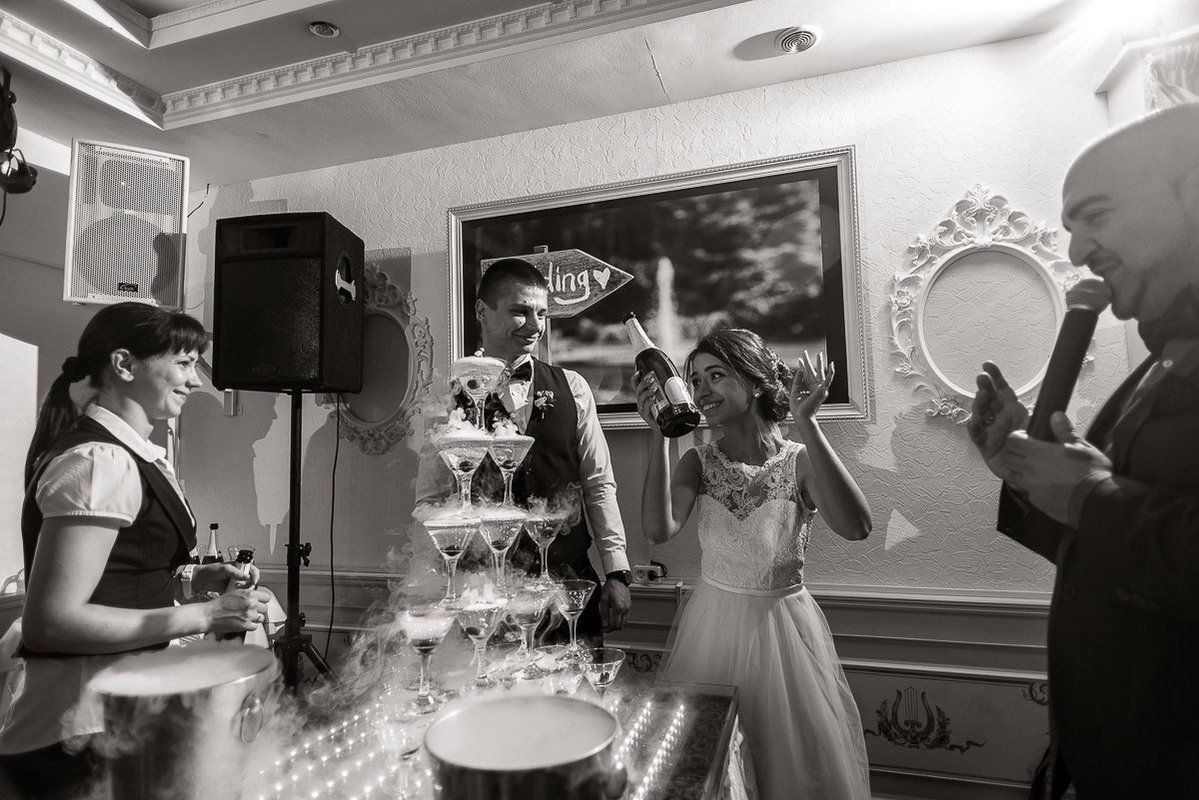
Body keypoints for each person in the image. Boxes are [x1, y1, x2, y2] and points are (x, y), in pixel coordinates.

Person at [968, 103, 1199, 799]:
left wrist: (1091, 497)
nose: (1074, 252)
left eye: (1094, 215)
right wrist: (1022, 470)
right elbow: (1101, 549)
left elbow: (1103, 511)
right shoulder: (1159, 362)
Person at [0, 302, 272, 799]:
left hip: (116, 715)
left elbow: (121, 572)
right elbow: (51, 623)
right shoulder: (101, 461)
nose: (195, 381)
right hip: (78, 725)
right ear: (124, 364)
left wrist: (191, 581)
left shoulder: (124, 455)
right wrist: (206, 615)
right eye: (184, 363)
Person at [637, 330, 872, 800]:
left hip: (785, 635)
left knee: (790, 767)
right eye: (695, 380)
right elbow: (658, 529)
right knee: (711, 768)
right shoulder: (698, 462)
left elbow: (857, 527)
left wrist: (808, 423)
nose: (701, 390)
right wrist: (658, 435)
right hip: (712, 632)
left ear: (756, 380)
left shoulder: (798, 461)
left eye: (716, 376)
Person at [415, 257, 632, 638]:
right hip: (483, 593)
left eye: (542, 313)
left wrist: (617, 571)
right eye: (520, 311)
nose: (535, 326)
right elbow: (431, 501)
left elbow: (598, 484)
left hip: (567, 586)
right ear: (482, 312)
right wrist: (437, 581)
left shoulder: (574, 388)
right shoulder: (447, 397)